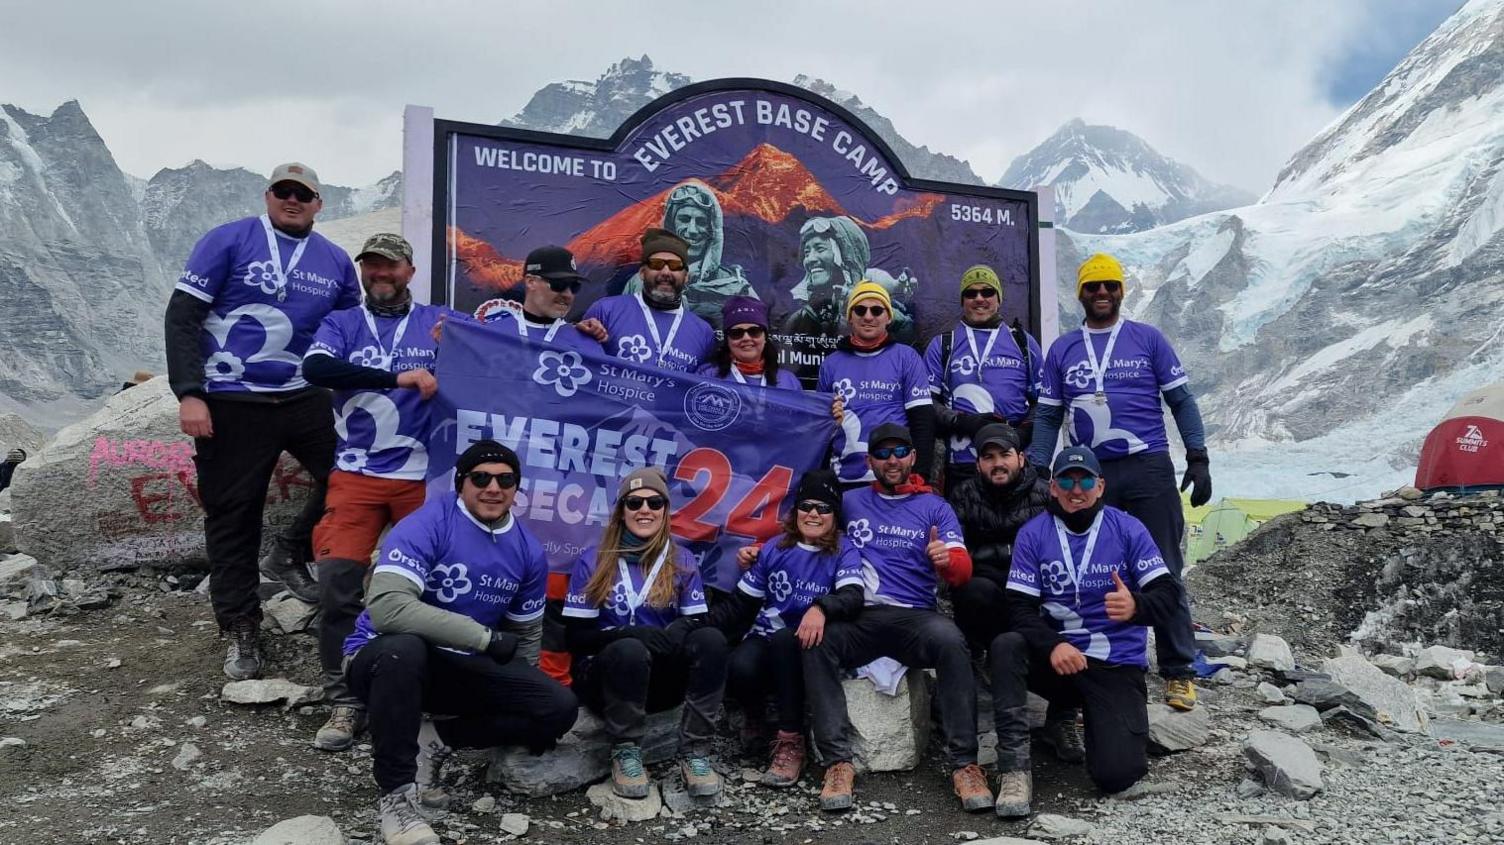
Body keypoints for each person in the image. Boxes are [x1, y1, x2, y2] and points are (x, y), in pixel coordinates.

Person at [163, 162, 359, 680]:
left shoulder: (336, 260)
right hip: (232, 400)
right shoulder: (227, 240)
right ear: (268, 195)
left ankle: (290, 551)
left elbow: (353, 330)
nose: (292, 199)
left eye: (304, 193)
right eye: (283, 191)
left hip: (304, 395)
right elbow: (181, 316)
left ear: (320, 203)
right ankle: (241, 629)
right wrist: (190, 393)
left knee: (352, 478)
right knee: (233, 516)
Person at [343, 439, 578, 845]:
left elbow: (525, 638)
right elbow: (388, 609)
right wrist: (483, 637)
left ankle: (433, 740)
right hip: (382, 657)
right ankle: (396, 797)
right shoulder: (427, 523)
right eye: (480, 477)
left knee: (557, 708)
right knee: (405, 648)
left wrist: (525, 691)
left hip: (457, 669)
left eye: (505, 479)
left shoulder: (527, 550)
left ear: (516, 488)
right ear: (461, 483)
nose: (493, 487)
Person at [1026, 252, 1211, 711]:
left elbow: (1182, 401)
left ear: (1122, 290)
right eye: (1093, 286)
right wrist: (1036, 466)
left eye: (1110, 285)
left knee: (1163, 568)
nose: (1102, 293)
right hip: (1087, 475)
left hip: (1147, 466)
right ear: (1080, 294)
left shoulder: (1148, 339)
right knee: (1088, 568)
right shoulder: (1064, 349)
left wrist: (1198, 455)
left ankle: (1178, 669)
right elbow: (1049, 415)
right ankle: (1103, 665)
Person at [300, 233, 449, 752]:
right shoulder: (342, 322)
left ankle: (429, 689)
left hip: (423, 476)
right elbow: (316, 368)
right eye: (372, 267)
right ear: (363, 272)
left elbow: (496, 359)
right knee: (338, 581)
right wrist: (397, 377)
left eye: (391, 267)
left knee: (431, 587)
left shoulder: (438, 321)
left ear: (410, 271)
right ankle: (345, 699)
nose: (381, 275)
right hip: (357, 474)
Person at [802, 423, 992, 814]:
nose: (891, 460)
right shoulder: (851, 500)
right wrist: (757, 549)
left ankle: (965, 764)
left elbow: (962, 571)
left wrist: (948, 560)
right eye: (882, 453)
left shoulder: (934, 506)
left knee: (952, 644)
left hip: (913, 616)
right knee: (813, 641)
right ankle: (838, 762)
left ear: (912, 457)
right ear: (870, 460)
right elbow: (806, 523)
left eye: (899, 452)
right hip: (860, 614)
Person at [989, 446, 1186, 816]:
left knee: (1116, 775)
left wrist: (1137, 607)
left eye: (1084, 481)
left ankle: (1081, 721)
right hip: (1060, 660)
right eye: (1066, 479)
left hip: (1114, 664)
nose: (1075, 489)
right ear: (1052, 487)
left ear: (1100, 486)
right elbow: (1018, 608)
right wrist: (1052, 645)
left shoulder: (1127, 528)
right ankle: (1014, 767)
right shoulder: (1033, 534)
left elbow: (1169, 594)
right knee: (1006, 646)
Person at [562, 467, 729, 799]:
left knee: (711, 641)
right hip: (608, 681)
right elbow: (574, 638)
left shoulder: (680, 559)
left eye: (655, 503)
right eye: (634, 502)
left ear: (665, 511)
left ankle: (695, 752)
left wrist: (682, 627)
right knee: (629, 649)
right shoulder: (593, 560)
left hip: (660, 682)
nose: (645, 510)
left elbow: (700, 624)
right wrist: (627, 633)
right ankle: (625, 751)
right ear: (622, 511)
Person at [709, 470, 863, 787]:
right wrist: (695, 624)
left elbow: (852, 596)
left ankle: (791, 740)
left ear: (835, 515)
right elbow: (741, 604)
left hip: (813, 644)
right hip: (769, 635)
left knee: (783, 641)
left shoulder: (843, 550)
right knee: (739, 665)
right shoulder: (775, 548)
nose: (814, 514)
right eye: (807, 506)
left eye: (824, 508)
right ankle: (757, 717)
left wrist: (822, 606)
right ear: (795, 511)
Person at [925, 265, 1042, 490]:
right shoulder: (943, 344)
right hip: (962, 465)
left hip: (1012, 464)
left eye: (987, 292)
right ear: (962, 301)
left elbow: (1045, 403)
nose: (979, 299)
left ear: (998, 299)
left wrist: (1023, 433)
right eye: (971, 293)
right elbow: (927, 403)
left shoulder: (1023, 342)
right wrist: (961, 421)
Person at [817, 282, 934, 488]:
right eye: (860, 310)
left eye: (877, 310)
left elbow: (922, 422)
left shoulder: (906, 357)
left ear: (888, 317)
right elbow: (821, 428)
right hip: (843, 480)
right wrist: (821, 478)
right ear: (849, 317)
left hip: (894, 477)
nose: (868, 316)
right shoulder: (831, 364)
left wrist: (920, 475)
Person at [947, 424, 1051, 655]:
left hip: (1034, 584)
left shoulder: (1046, 495)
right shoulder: (963, 495)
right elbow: (957, 551)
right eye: (989, 457)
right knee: (972, 590)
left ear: (1021, 459)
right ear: (978, 464)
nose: (998, 464)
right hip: (986, 583)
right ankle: (977, 656)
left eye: (1005, 455)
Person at [623, 180, 757, 326]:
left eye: (700, 222)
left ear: (712, 230)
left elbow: (755, 336)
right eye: (684, 219)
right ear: (671, 225)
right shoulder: (639, 282)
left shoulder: (736, 286)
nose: (692, 230)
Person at [584, 229, 716, 373]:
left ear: (686, 277)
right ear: (642, 273)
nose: (665, 272)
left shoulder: (704, 333)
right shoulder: (605, 311)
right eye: (656, 264)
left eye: (675, 266)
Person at [481, 244, 608, 352]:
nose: (568, 294)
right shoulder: (490, 335)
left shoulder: (587, 345)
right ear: (531, 282)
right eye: (559, 284)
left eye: (574, 286)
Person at [783, 216, 869, 337]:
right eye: (807, 252)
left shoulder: (874, 314)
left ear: (844, 256)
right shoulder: (798, 321)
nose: (810, 259)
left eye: (820, 249)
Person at [698, 296, 801, 389]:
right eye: (736, 333)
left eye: (754, 331)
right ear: (727, 339)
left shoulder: (789, 382)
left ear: (765, 337)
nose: (746, 338)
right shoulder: (708, 376)